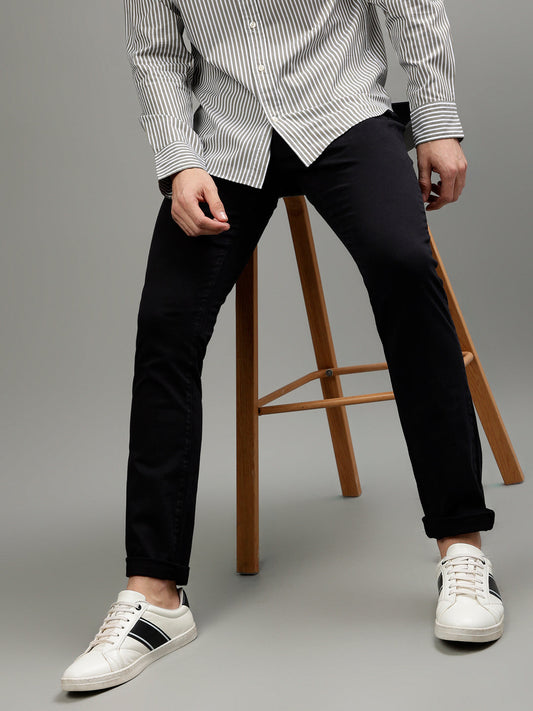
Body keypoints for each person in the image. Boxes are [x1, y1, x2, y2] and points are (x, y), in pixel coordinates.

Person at [61, 0, 504, 693]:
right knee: (166, 323)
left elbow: (412, 7)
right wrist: (178, 163)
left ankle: (461, 547)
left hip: (342, 113)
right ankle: (154, 596)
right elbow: (156, 51)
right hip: (227, 139)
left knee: (403, 265)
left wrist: (436, 121)